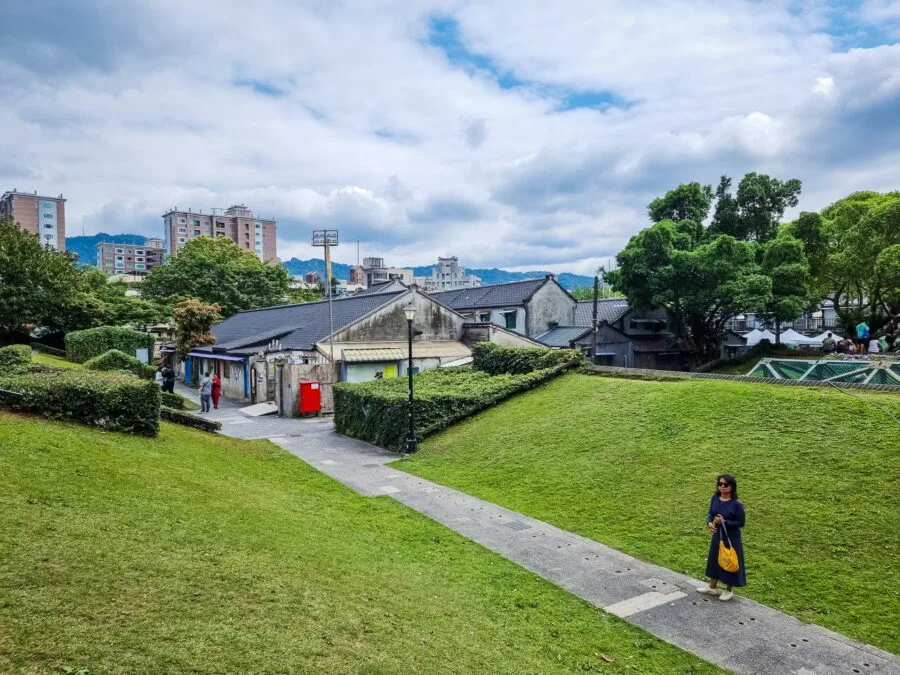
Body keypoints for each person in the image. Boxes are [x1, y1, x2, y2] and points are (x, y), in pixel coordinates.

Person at [697, 474, 746, 602]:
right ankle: (712, 587)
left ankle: (729, 590)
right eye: (720, 484)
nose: (722, 487)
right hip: (718, 534)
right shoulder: (715, 498)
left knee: (730, 559)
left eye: (725, 485)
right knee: (715, 558)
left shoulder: (736, 504)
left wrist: (724, 521)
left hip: (731, 537)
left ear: (732, 487)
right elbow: (711, 514)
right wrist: (709, 523)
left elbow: (741, 523)